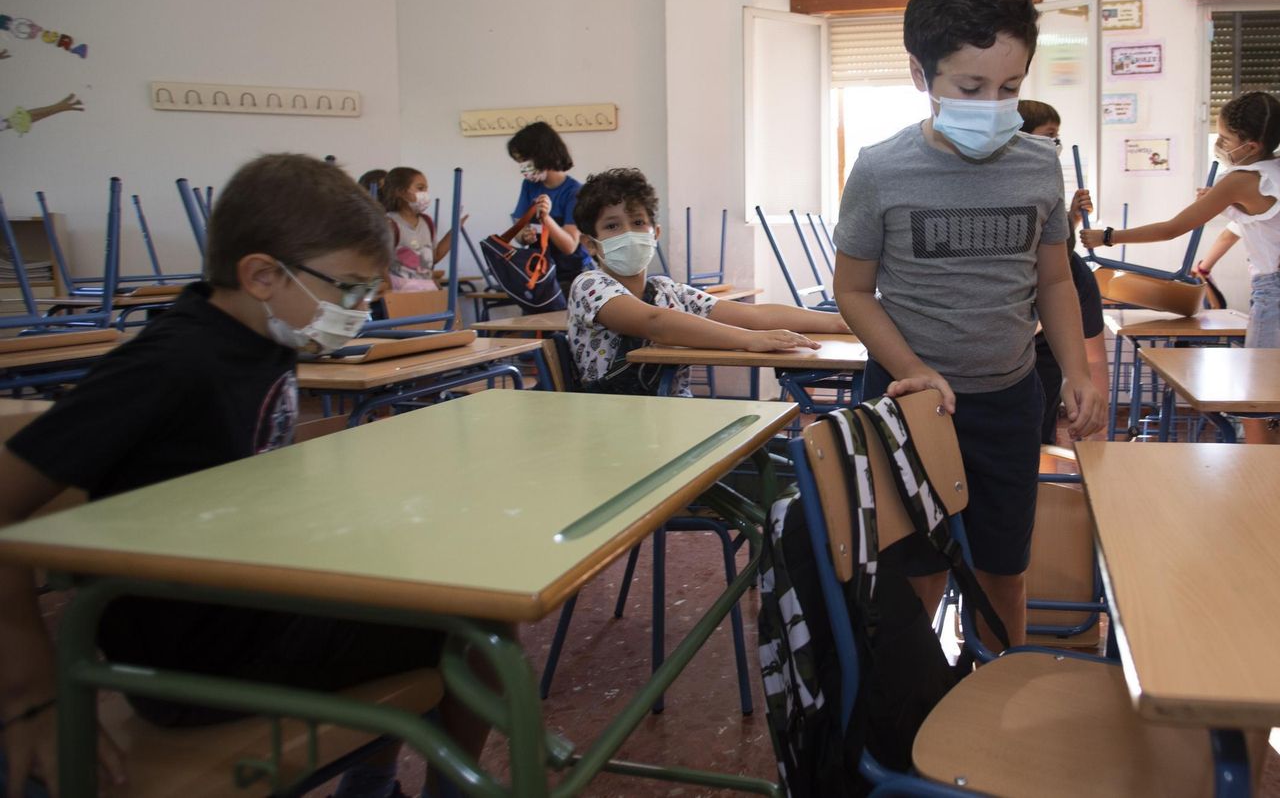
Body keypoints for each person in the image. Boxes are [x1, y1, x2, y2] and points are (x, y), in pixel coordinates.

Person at [0, 154, 485, 798]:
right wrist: (32, 692)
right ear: (261, 274)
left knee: (424, 578)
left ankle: (372, 789)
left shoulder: (265, 338)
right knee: (479, 629)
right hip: (192, 654)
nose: (361, 310)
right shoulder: (172, 361)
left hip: (250, 611)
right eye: (348, 291)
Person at [832, 0, 1106, 649]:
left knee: (1003, 571)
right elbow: (854, 291)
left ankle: (998, 700)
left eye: (1010, 88)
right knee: (916, 574)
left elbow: (1053, 280)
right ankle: (917, 713)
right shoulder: (880, 169)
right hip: (910, 404)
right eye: (971, 86)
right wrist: (909, 369)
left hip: (1010, 401)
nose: (993, 108)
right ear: (920, 74)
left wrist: (1077, 370)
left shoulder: (1039, 164)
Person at [1084, 91, 1280, 443]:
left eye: (1226, 138)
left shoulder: (1242, 178)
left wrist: (1108, 236)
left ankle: (1265, 478)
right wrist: (1221, 200)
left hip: (1279, 294)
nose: (1219, 143)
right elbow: (1270, 217)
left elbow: (1171, 229)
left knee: (1257, 402)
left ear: (1253, 145)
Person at [567, 168, 849, 396]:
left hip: (671, 414)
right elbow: (655, 322)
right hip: (612, 421)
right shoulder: (589, 285)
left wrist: (838, 321)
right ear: (590, 244)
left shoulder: (666, 291)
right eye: (612, 226)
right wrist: (749, 340)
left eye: (638, 222)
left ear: (656, 232)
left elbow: (752, 315)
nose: (629, 233)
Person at [1016, 99, 1108, 444]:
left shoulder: (1045, 176)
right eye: (1050, 135)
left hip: (1063, 282)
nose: (1056, 144)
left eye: (1058, 137)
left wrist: (1072, 217)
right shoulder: (1015, 178)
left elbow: (1055, 249)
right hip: (1037, 295)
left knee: (1048, 400)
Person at [506, 122, 591, 297]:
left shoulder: (574, 192)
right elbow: (518, 228)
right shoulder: (529, 186)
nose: (522, 166)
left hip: (571, 277)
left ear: (541, 155)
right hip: (540, 273)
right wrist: (524, 236)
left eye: (524, 160)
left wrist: (545, 218)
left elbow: (569, 246)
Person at [377, 167, 464, 292]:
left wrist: (455, 230)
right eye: (420, 188)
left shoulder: (427, 221)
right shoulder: (389, 224)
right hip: (401, 295)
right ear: (401, 192)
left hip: (426, 291)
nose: (425, 193)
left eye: (426, 189)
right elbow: (380, 265)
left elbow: (435, 256)